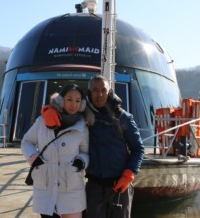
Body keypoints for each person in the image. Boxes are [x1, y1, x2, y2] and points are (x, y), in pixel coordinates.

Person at [42, 75, 144, 217]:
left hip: (120, 186)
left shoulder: (123, 117)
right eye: (95, 90)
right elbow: (64, 109)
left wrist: (129, 174)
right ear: (89, 92)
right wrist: (49, 110)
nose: (100, 94)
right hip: (94, 186)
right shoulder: (82, 116)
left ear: (109, 92)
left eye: (103, 90)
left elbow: (138, 149)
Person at [21, 84, 90, 218]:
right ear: (60, 100)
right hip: (46, 186)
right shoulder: (42, 121)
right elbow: (26, 142)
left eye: (77, 101)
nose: (73, 104)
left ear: (82, 104)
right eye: (69, 99)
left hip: (71, 188)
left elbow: (86, 152)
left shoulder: (82, 127)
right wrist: (33, 158)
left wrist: (81, 161)